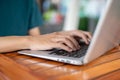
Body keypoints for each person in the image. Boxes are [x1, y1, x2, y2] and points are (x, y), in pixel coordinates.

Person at [0, 0, 92, 53]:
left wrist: (59, 37)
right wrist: (30, 41)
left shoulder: (29, 2)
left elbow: (36, 38)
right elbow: (33, 40)